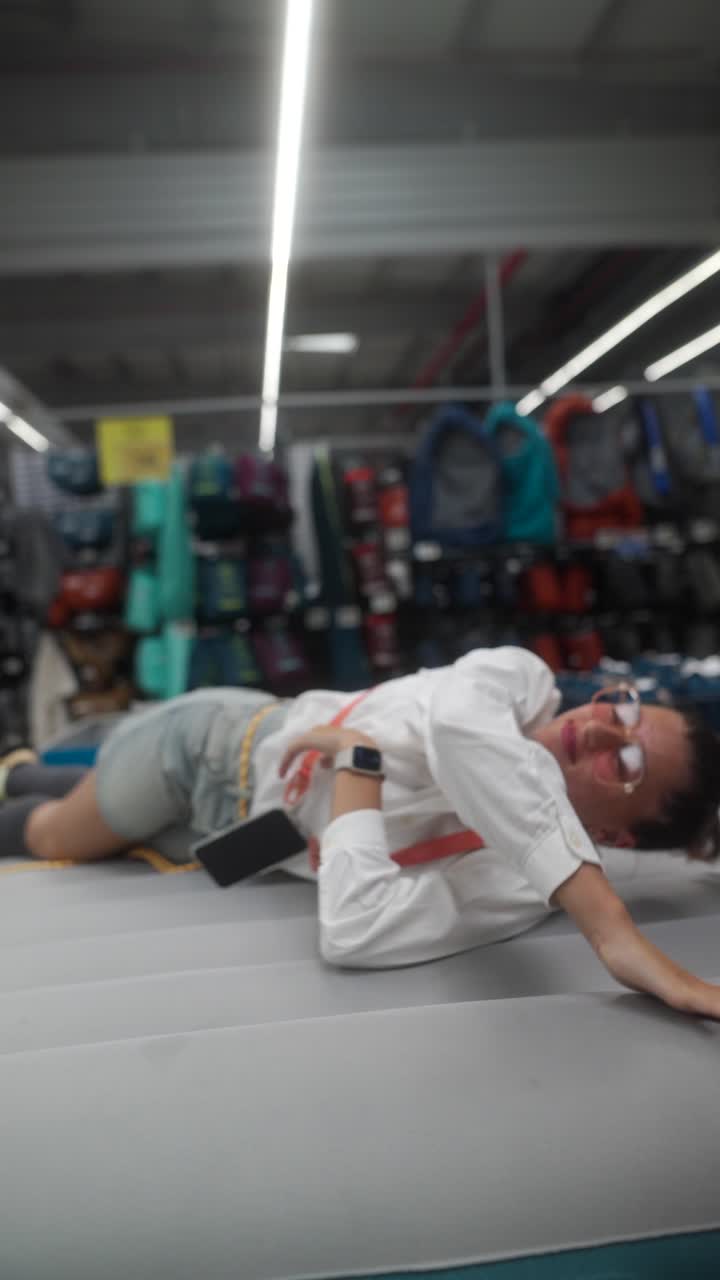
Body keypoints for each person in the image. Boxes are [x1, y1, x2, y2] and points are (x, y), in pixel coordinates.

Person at [3, 646, 720, 1018]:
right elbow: (457, 727)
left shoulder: (519, 883)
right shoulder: (519, 679)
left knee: (70, 802)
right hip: (206, 748)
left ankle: (20, 770)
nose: (595, 725)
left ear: (619, 839)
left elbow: (355, 930)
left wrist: (359, 767)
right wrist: (609, 926)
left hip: (237, 831)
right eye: (624, 713)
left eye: (622, 760)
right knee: (49, 838)